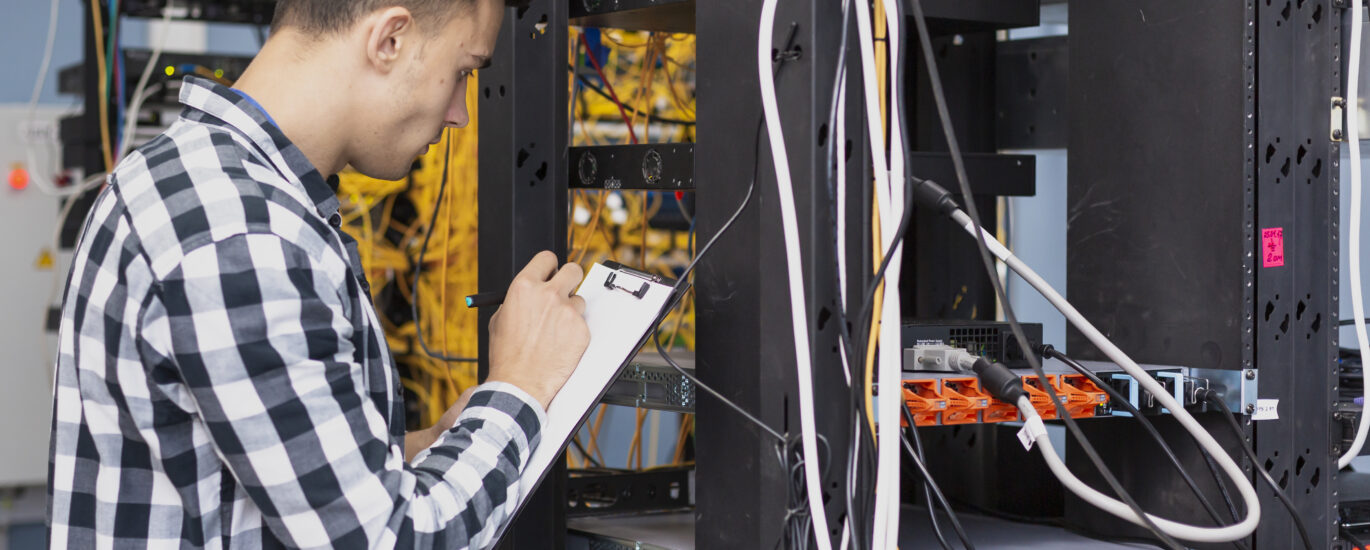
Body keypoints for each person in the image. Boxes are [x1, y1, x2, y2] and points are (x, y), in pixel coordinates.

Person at [46, 0, 590, 547]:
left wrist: (430, 445)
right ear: (389, 40)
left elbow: (240, 475)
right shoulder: (241, 236)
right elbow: (388, 540)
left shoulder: (191, 183)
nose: (460, 113)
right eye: (463, 72)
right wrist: (521, 385)